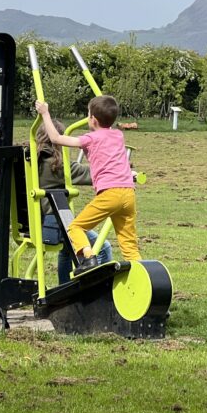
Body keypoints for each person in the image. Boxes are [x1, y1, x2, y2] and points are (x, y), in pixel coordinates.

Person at [35, 95, 139, 274]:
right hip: (128, 193)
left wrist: (45, 113)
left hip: (110, 194)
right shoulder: (118, 136)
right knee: (128, 242)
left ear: (92, 119)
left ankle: (88, 258)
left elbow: (56, 138)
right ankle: (141, 272)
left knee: (76, 227)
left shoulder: (89, 139)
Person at [35, 119, 113, 284]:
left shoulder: (32, 161)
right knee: (104, 247)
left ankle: (65, 286)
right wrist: (119, 169)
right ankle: (103, 290)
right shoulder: (57, 165)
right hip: (55, 222)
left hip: (36, 221)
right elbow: (90, 174)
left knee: (66, 250)